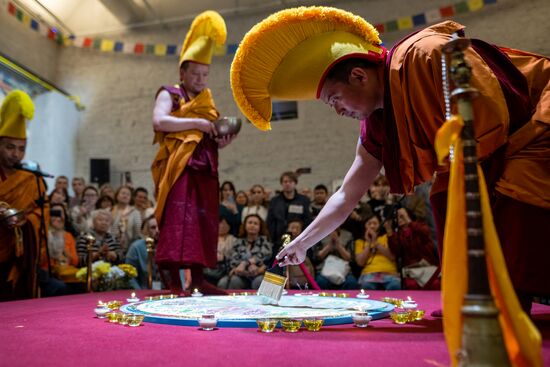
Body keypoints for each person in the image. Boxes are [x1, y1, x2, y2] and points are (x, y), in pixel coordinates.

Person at [231, 6, 549, 311]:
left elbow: (493, 115)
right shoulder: (378, 123)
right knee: (444, 196)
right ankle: (475, 295)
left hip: (534, 122)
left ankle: (507, 300)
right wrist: (302, 243)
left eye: (335, 100)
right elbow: (345, 195)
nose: (339, 112)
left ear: (359, 75)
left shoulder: (424, 55)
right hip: (493, 145)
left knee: (512, 187)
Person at [151, 10, 236, 295]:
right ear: (182, 73)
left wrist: (221, 141)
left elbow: (209, 134)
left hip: (205, 168)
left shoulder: (207, 102)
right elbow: (160, 121)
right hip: (179, 167)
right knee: (178, 220)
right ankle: (174, 281)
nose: (201, 79)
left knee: (203, 220)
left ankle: (199, 280)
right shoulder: (170, 94)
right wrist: (198, 123)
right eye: (195, 73)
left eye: (205, 74)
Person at [0, 90, 47, 300]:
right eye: (10, 147)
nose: (16, 154)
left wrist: (26, 221)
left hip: (18, 254)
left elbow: (42, 212)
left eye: (21, 148)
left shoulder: (31, 179)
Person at [266, 171, 312, 251]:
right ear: (282, 184)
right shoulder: (275, 201)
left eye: (290, 181)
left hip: (298, 240)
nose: (287, 184)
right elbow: (270, 221)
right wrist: (272, 237)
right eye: (285, 182)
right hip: (279, 240)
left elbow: (307, 220)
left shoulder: (303, 200)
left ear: (295, 183)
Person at [224, 214, 272, 290]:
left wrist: (245, 263)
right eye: (250, 222)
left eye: (255, 223)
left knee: (259, 281)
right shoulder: (238, 242)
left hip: (260, 274)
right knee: (234, 281)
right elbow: (234, 260)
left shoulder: (265, 241)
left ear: (260, 227)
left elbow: (264, 257)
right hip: (241, 275)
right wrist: (243, 269)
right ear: (245, 225)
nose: (252, 225)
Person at [355, 214, 400, 290]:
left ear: (380, 225)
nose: (372, 226)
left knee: (394, 286)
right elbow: (360, 262)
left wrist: (375, 242)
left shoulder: (386, 237)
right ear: (365, 226)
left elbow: (392, 256)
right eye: (369, 224)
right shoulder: (360, 242)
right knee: (367, 287)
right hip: (369, 273)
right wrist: (369, 243)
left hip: (389, 272)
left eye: (375, 223)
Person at [125, 214, 159, 290]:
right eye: (153, 228)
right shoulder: (136, 247)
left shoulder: (171, 247)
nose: (157, 230)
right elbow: (130, 275)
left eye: (159, 226)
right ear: (147, 230)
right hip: (143, 291)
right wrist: (140, 293)